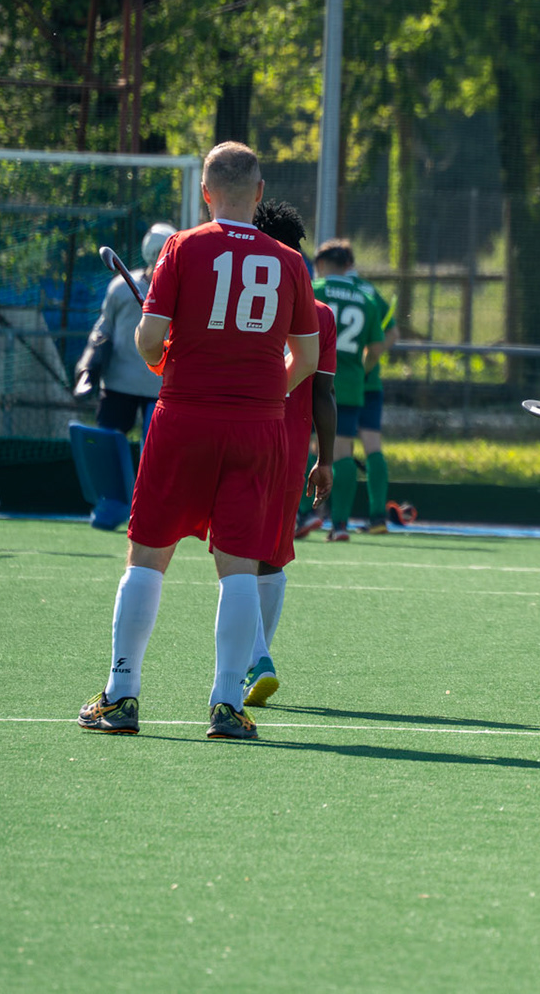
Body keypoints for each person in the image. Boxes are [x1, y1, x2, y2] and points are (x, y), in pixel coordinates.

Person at [77, 142, 318, 743]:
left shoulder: (181, 247)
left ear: (206, 193)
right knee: (238, 569)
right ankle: (227, 704)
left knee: (147, 557)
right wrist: (265, 394)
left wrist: (163, 358)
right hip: (258, 427)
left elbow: (148, 340)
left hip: (183, 418)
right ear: (259, 194)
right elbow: (307, 358)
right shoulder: (290, 261)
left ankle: (122, 694)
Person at [242, 199, 336, 708]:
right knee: (271, 557)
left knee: (236, 552)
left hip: (240, 434)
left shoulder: (237, 295)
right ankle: (254, 661)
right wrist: (326, 459)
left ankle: (256, 659)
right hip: (292, 449)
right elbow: (324, 393)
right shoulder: (320, 313)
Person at [308, 239, 402, 538]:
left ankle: (301, 515)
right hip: (355, 383)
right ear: (349, 264)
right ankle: (351, 521)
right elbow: (386, 337)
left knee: (307, 445)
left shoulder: (315, 289)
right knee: (351, 450)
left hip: (314, 379)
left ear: (322, 264)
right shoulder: (366, 295)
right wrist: (363, 369)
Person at [84, 221, 174, 438]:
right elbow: (103, 331)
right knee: (110, 446)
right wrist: (88, 365)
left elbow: (103, 328)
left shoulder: (180, 292)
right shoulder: (122, 287)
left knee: (153, 450)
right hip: (122, 384)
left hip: (158, 389)